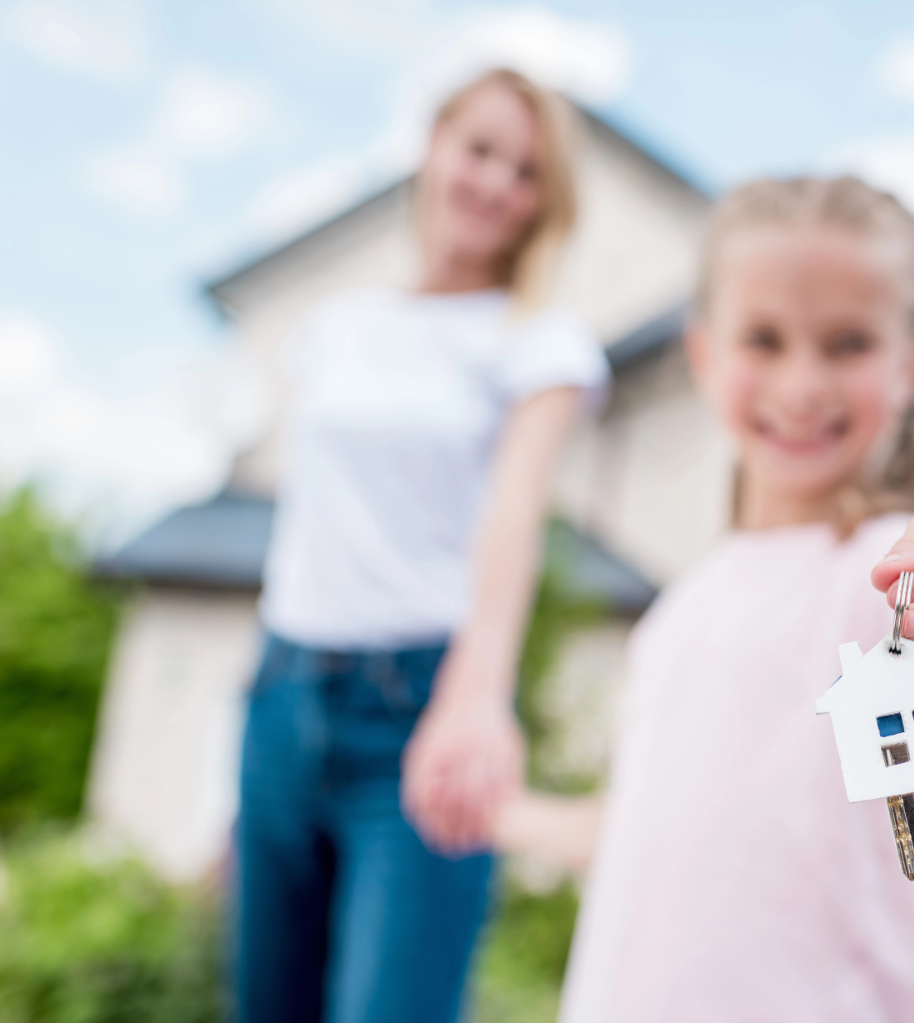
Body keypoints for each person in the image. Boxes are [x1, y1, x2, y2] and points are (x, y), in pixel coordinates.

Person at [555, 176, 914, 1023]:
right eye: (764, 338)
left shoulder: (885, 575)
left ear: (911, 363)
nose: (802, 383)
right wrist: (498, 807)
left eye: (847, 343)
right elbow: (642, 827)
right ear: (705, 354)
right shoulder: (681, 609)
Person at [236, 69, 608, 1023]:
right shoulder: (335, 328)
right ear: (434, 146)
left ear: (542, 203)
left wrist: (477, 695)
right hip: (281, 693)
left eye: (525, 171)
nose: (493, 182)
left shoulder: (538, 342)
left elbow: (513, 514)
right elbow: (308, 522)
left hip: (422, 709)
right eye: (479, 149)